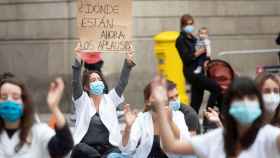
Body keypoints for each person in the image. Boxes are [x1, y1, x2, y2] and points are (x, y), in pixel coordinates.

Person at [152, 76, 280, 158]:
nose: (246, 102)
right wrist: (161, 109)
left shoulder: (269, 136)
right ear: (229, 105)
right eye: (239, 98)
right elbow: (172, 146)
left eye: (251, 98)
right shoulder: (215, 139)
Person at [70, 47, 135, 158]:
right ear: (86, 87)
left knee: (116, 154)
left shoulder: (110, 99)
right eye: (93, 80)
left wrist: (128, 62)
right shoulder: (82, 101)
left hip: (108, 148)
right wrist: (78, 59)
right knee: (79, 149)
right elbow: (76, 83)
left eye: (99, 80)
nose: (97, 82)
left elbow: (122, 82)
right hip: (86, 149)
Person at [0, 77, 73, 158]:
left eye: (15, 97)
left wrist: (54, 107)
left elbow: (64, 146)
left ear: (24, 103)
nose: (9, 100)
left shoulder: (38, 132)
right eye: (3, 97)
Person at [119, 82, 191, 158]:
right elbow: (126, 150)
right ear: (148, 102)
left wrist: (170, 121)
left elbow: (184, 144)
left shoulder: (178, 115)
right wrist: (128, 127)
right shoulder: (141, 119)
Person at [175, 14, 221, 113]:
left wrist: (206, 59)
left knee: (195, 103)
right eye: (187, 24)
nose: (190, 26)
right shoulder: (180, 40)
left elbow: (203, 52)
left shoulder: (193, 38)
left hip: (199, 71)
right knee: (216, 87)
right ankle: (208, 117)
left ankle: (191, 124)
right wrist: (200, 51)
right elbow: (186, 58)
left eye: (191, 24)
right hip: (192, 72)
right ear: (182, 26)